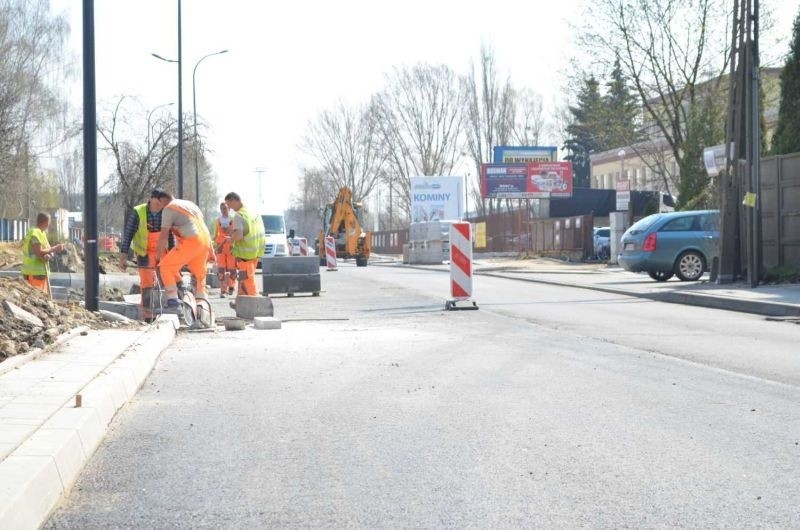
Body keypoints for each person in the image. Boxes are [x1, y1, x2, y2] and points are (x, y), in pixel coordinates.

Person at [118, 189, 174, 320]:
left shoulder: (166, 211)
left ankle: (168, 311)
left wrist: (173, 254)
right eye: (157, 203)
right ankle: (148, 315)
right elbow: (128, 236)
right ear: (151, 199)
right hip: (144, 253)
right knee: (147, 284)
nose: (159, 207)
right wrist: (123, 257)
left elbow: (171, 236)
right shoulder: (138, 212)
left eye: (161, 204)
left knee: (168, 280)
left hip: (163, 252)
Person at [154, 190, 214, 310]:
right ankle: (202, 309)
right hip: (205, 242)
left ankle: (174, 303)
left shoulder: (169, 208)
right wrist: (211, 251)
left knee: (165, 267)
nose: (160, 207)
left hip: (191, 241)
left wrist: (158, 257)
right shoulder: (190, 205)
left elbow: (163, 235)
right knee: (199, 276)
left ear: (162, 200)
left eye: (159, 204)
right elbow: (203, 227)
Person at [224, 191, 265, 296]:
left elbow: (238, 236)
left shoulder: (239, 215)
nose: (230, 209)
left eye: (229, 205)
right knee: (243, 278)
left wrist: (231, 239)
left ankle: (256, 303)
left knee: (247, 279)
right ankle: (240, 300)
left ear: (234, 201)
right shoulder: (253, 213)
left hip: (245, 254)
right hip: (255, 251)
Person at [21, 212, 65, 294]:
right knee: (36, 298)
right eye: (49, 223)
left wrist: (51, 253)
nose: (49, 225)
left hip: (40, 272)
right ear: (45, 222)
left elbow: (48, 249)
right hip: (34, 273)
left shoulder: (42, 233)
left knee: (42, 299)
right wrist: (55, 248)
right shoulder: (35, 233)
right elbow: (39, 252)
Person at [212, 201, 237, 297]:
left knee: (232, 268)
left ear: (229, 209)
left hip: (231, 247)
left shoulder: (234, 220)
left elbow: (236, 233)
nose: (223, 210)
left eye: (225, 208)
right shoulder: (217, 221)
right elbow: (214, 235)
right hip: (221, 247)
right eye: (222, 208)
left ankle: (231, 286)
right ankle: (223, 290)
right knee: (221, 269)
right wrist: (215, 246)